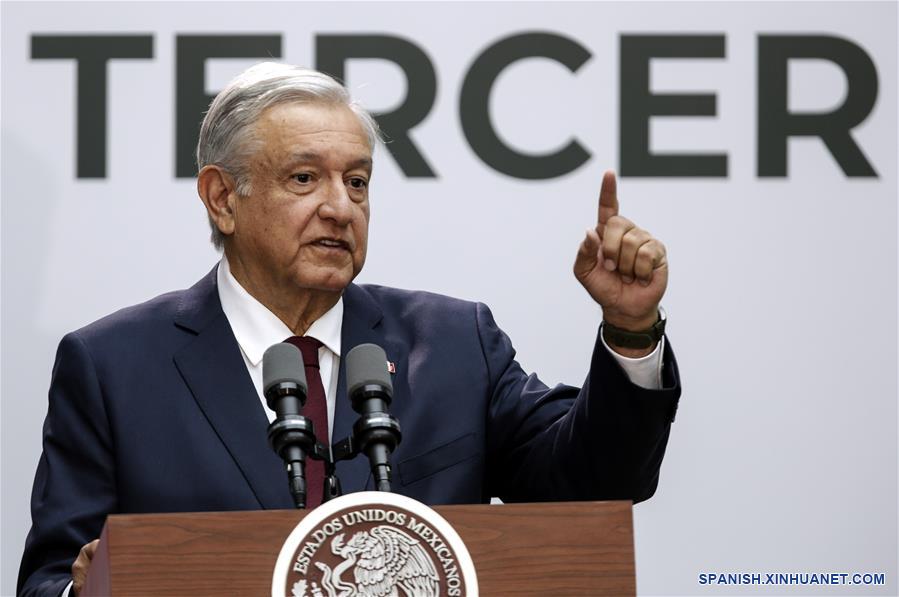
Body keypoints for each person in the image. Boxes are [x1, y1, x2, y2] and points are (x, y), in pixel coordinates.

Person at [17, 63, 681, 597]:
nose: (339, 207)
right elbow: (48, 576)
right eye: (304, 178)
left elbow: (593, 482)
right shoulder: (113, 366)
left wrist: (629, 329)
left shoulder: (454, 343)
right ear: (223, 197)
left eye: (357, 181)